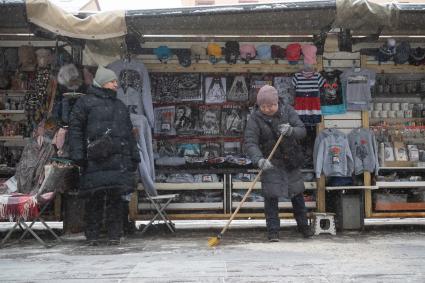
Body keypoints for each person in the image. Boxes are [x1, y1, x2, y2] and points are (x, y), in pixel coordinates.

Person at [69, 66, 140, 246]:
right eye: (112, 81)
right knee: (95, 198)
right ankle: (93, 235)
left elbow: (128, 134)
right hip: (95, 160)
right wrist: (77, 155)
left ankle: (114, 234)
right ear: (101, 82)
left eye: (116, 81)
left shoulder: (120, 106)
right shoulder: (85, 103)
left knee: (115, 199)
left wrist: (134, 156)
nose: (116, 84)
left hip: (116, 161)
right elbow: (75, 130)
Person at [244, 85, 314, 242]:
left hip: (291, 160)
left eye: (271, 105)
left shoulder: (287, 111)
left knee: (297, 195)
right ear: (259, 105)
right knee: (271, 198)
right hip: (271, 162)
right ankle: (273, 231)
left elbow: (302, 130)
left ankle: (304, 227)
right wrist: (259, 159)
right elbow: (250, 142)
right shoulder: (255, 119)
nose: (268, 109)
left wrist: (291, 131)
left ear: (277, 102)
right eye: (264, 106)